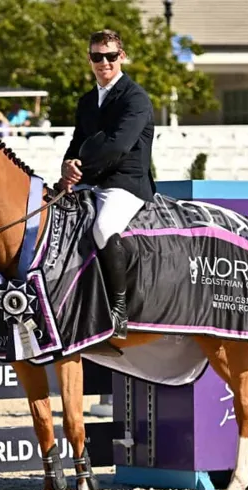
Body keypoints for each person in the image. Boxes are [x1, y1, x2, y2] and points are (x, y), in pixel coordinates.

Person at [59, 29, 156, 339]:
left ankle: (118, 311)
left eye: (111, 56)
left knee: (102, 228)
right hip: (93, 182)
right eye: (98, 57)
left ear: (122, 57)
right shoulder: (87, 101)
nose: (105, 62)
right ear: (90, 60)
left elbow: (117, 147)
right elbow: (77, 142)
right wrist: (68, 166)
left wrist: (81, 170)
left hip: (125, 184)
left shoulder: (135, 98)